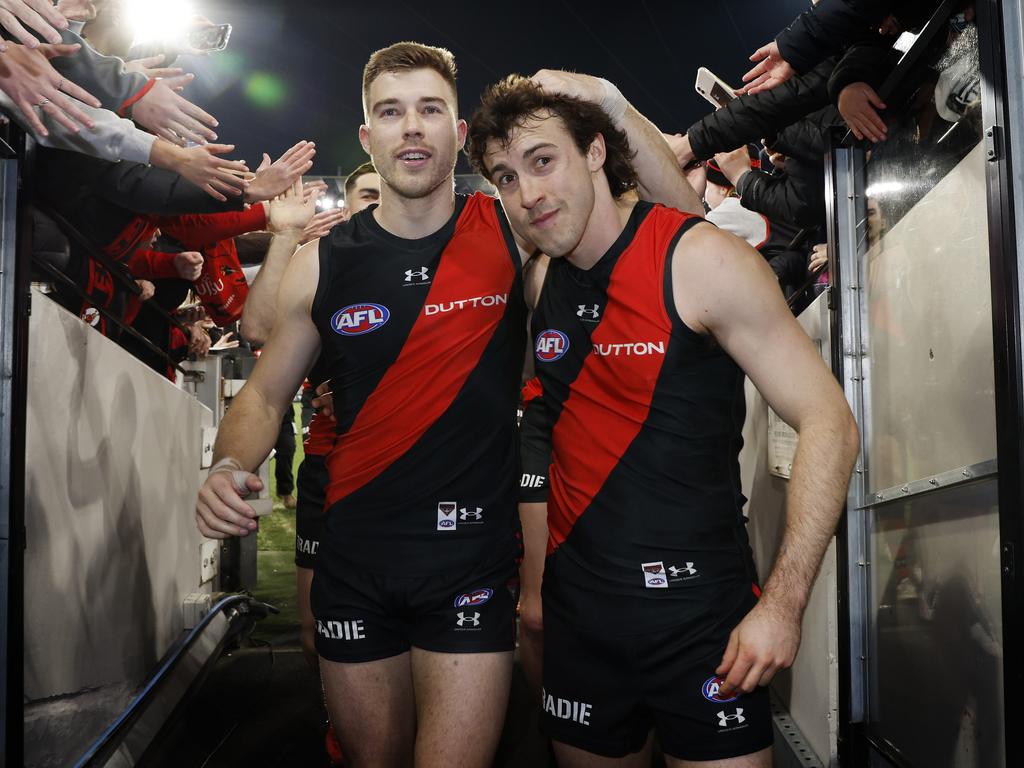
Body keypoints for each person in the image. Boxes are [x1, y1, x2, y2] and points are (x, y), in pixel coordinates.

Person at [197, 40, 698, 768]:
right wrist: (225, 464)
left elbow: (676, 227)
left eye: (430, 110)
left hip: (471, 566)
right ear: (368, 137)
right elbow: (267, 393)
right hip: (355, 563)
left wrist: (615, 105)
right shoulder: (323, 260)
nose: (412, 128)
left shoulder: (514, 228)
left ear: (459, 133)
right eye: (391, 113)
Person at [467, 74, 859, 767]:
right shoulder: (539, 280)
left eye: (542, 160)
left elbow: (829, 419)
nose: (527, 194)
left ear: (593, 152)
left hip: (702, 619)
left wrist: (783, 603)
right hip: (581, 620)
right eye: (504, 176)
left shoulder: (701, 259)